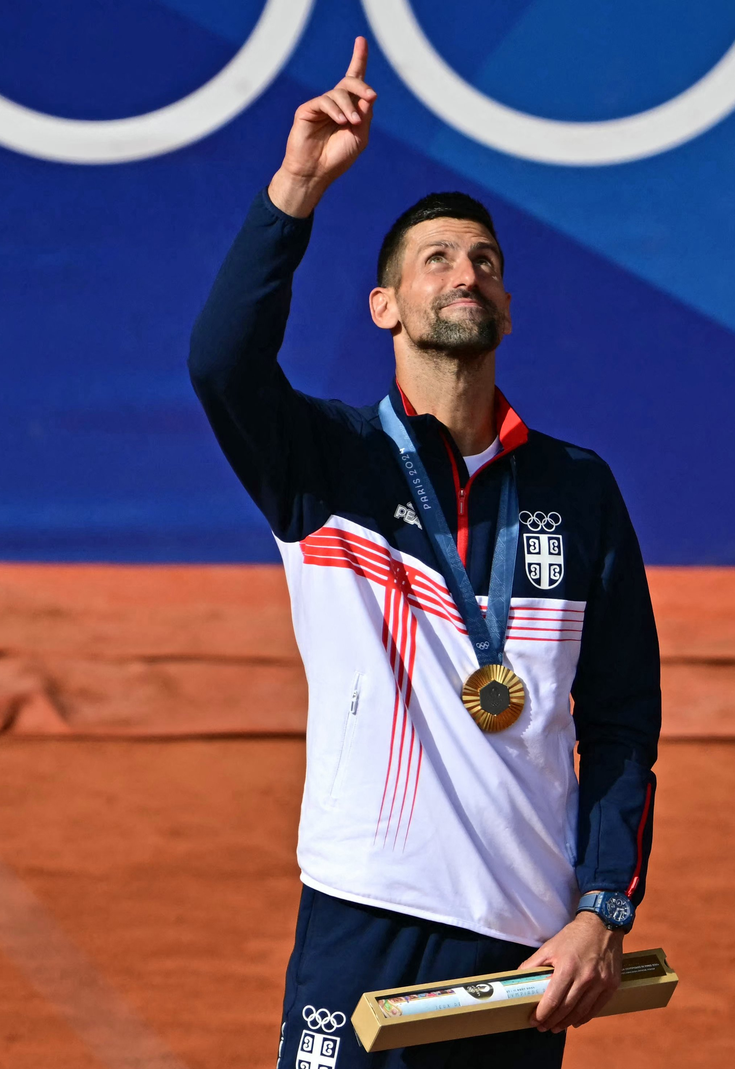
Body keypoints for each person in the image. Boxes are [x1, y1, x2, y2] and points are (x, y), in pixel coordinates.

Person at [189, 37, 661, 1069]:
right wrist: (295, 191)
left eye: (485, 259)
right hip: (361, 915)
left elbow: (623, 720)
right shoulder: (324, 464)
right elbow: (221, 358)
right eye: (437, 258)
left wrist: (602, 908)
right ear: (385, 307)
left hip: (521, 930)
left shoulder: (578, 489)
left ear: (505, 304)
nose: (467, 271)